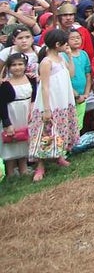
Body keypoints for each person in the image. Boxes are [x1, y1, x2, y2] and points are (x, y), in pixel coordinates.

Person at [28, 28, 79, 182]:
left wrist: (69, 57)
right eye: (65, 43)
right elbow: (44, 86)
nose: (67, 46)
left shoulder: (61, 58)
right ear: (57, 44)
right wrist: (47, 108)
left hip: (64, 100)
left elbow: (71, 74)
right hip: (50, 102)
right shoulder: (46, 62)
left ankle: (59, 155)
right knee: (46, 133)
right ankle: (41, 165)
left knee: (59, 130)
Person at [1, 51, 35, 178]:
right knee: (11, 141)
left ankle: (24, 168)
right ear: (9, 68)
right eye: (14, 65)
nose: (17, 67)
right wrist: (7, 123)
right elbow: (2, 105)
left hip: (26, 113)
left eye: (20, 64)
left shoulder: (31, 79)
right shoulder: (5, 84)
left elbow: (34, 96)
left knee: (24, 140)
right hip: (12, 113)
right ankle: (10, 172)